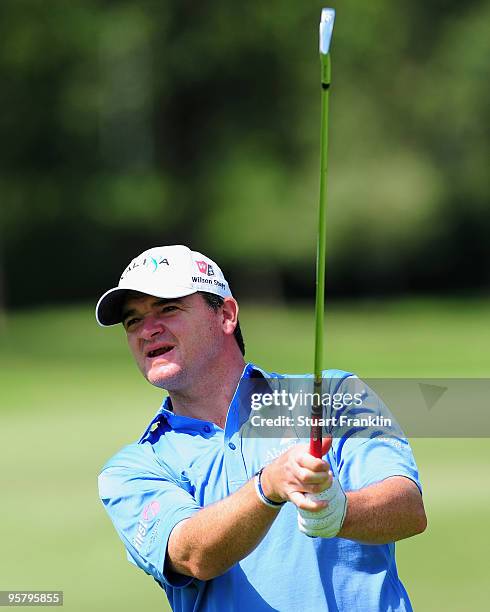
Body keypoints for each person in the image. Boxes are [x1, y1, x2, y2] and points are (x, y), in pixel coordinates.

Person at [96, 244, 427, 612]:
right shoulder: (133, 468)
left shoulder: (333, 394)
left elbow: (408, 509)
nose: (147, 330)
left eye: (168, 308)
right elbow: (192, 555)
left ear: (226, 315)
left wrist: (338, 511)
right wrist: (268, 486)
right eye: (133, 321)